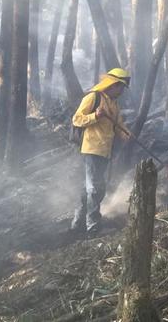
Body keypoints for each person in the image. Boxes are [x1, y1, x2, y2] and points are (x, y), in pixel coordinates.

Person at [70, 68, 131, 233]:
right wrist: (95, 116)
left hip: (104, 151)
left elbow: (118, 125)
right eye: (121, 87)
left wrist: (126, 134)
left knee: (89, 188)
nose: (122, 91)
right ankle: (93, 228)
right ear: (113, 85)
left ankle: (77, 224)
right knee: (95, 189)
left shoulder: (113, 103)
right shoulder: (93, 97)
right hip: (91, 149)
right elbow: (76, 119)